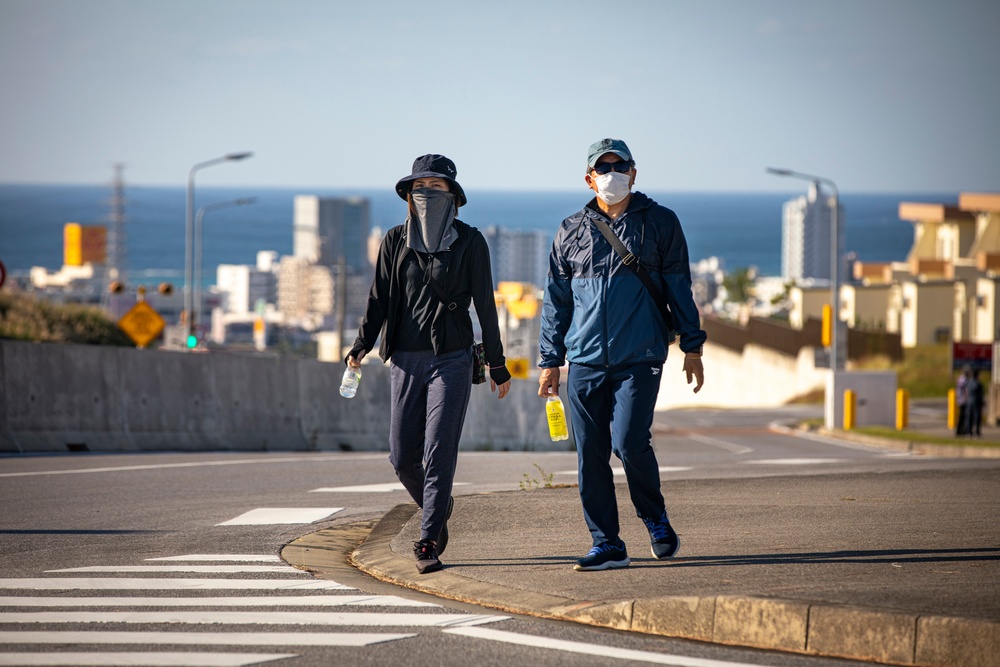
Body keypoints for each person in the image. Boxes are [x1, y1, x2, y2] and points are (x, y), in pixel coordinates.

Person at [538, 138, 706, 572]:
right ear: (589, 177)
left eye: (620, 165)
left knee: (630, 442)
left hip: (642, 354)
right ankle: (607, 543)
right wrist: (549, 360)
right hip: (585, 359)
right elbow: (556, 301)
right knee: (589, 453)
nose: (612, 173)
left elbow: (679, 288)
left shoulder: (661, 223)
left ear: (633, 172)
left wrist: (692, 346)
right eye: (604, 166)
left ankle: (656, 519)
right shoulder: (570, 230)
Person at [346, 154, 512, 574]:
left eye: (436, 188)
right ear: (409, 194)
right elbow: (379, 298)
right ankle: (440, 506)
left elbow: (486, 308)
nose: (427, 194)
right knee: (402, 458)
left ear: (453, 196)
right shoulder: (393, 241)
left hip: (452, 359)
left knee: (438, 452)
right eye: (420, 187)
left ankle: (428, 539)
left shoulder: (471, 242)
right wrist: (362, 343)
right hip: (404, 359)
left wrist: (497, 363)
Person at [964, 369, 984, 438]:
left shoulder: (968, 383)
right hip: (976, 402)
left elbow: (966, 392)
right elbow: (980, 395)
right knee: (977, 417)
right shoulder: (978, 384)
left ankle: (968, 432)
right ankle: (977, 432)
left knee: (969, 417)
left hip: (969, 401)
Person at [955, 366, 971, 436]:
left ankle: (961, 430)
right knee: (962, 416)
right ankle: (960, 430)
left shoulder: (961, 379)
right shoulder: (963, 380)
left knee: (963, 416)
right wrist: (966, 398)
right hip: (963, 400)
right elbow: (964, 390)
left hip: (961, 399)